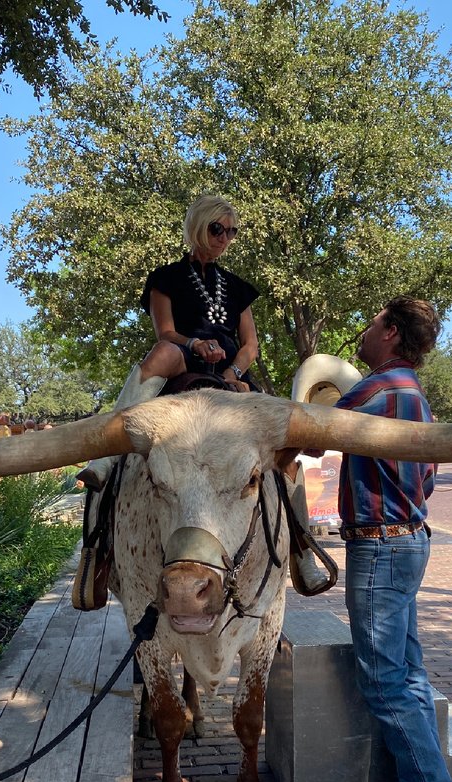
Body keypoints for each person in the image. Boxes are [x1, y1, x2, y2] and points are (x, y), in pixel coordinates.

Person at [78, 194, 327, 592]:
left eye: (232, 231)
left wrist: (233, 372)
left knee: (287, 451)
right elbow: (166, 332)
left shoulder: (237, 287)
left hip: (230, 373)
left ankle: (303, 550)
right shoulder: (165, 278)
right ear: (197, 226)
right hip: (184, 360)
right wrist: (194, 344)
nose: (225, 238)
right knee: (160, 353)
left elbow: (250, 345)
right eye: (217, 229)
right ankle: (102, 484)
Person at [335, 295, 452, 782]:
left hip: (380, 546)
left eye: (371, 321)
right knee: (409, 678)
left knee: (386, 684)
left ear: (389, 331)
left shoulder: (377, 389)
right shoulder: (416, 397)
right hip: (409, 540)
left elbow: (306, 437)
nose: (363, 331)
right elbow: (426, 478)